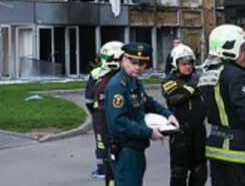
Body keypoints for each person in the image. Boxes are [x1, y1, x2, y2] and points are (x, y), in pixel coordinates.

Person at [199, 24, 245, 186]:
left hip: (216, 147)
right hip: (240, 150)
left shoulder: (208, 73)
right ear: (229, 49)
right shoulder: (236, 75)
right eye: (244, 50)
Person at [105, 42, 178, 186]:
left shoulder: (133, 81)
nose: (138, 67)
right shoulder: (117, 86)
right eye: (134, 62)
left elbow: (147, 101)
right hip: (126, 150)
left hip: (135, 147)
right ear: (124, 60)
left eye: (142, 63)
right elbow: (119, 122)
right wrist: (149, 132)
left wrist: (168, 114)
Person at [162, 44, 207, 186]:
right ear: (176, 65)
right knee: (179, 171)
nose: (188, 67)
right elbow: (175, 97)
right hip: (180, 132)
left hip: (199, 130)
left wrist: (191, 87)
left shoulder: (198, 79)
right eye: (183, 64)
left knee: (200, 169)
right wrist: (192, 87)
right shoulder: (169, 81)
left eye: (190, 63)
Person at [85, 41, 123, 180]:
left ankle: (103, 169)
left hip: (100, 113)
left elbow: (88, 98)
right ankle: (114, 167)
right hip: (116, 114)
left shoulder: (96, 73)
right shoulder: (125, 75)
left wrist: (94, 112)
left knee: (102, 141)